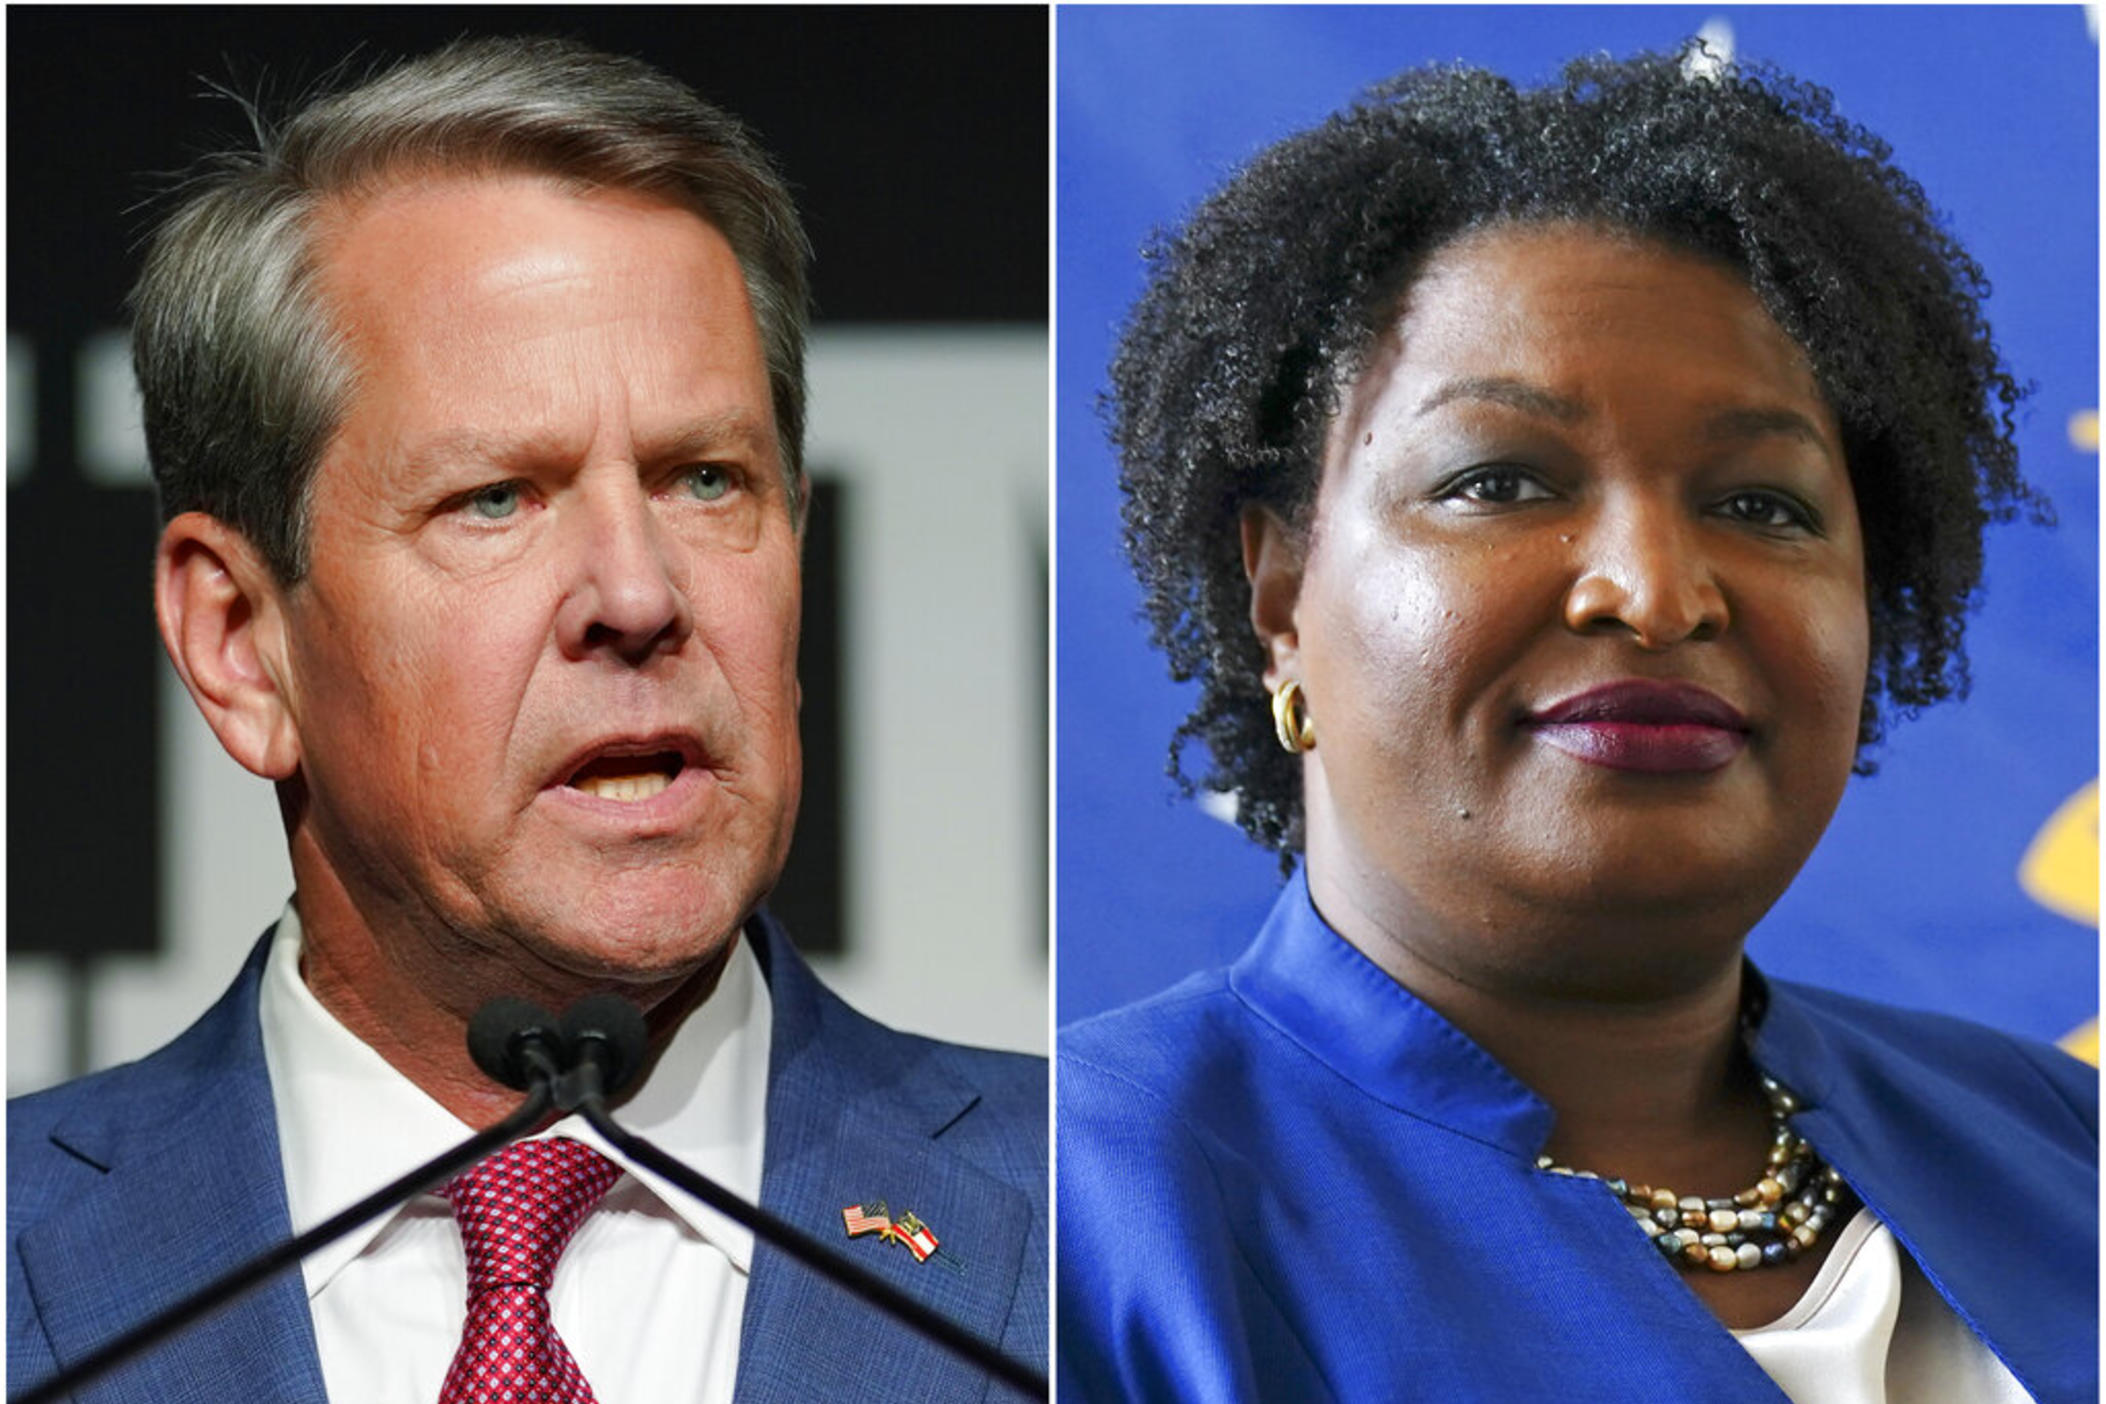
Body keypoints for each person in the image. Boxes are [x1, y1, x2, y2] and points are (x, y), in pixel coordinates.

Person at [8, 36, 1046, 1403]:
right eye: (496, 497)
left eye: (703, 479)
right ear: (241, 643)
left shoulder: (1095, 1227)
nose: (637, 594)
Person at [1058, 46, 2095, 1404]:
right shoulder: (1081, 1207)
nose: (1656, 594)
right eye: (1497, 480)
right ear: (1280, 598)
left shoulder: (2053, 1143)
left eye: (1763, 506)